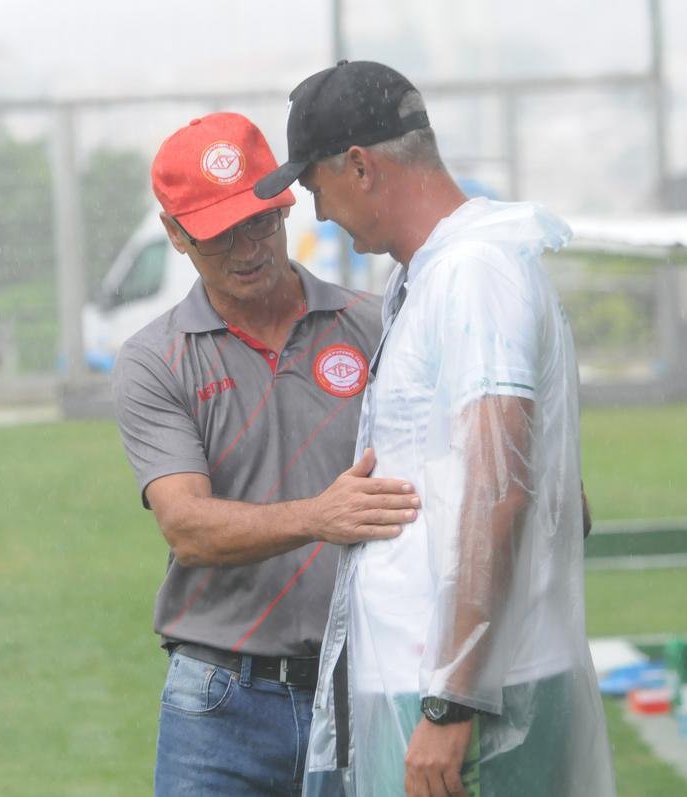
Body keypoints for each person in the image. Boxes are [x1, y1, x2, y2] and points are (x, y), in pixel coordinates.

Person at [255, 60, 615, 796]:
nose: (319, 214)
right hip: (449, 681)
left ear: (360, 166)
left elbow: (498, 486)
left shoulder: (473, 271)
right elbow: (547, 490)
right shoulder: (436, 271)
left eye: (315, 187)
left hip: (466, 697)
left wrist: (452, 698)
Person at [111, 111, 421, 796]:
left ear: (286, 207)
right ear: (175, 234)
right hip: (219, 701)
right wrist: (319, 516)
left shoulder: (376, 326)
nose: (246, 249)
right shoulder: (154, 360)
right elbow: (187, 526)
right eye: (219, 234)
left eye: (258, 223)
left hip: (364, 684)